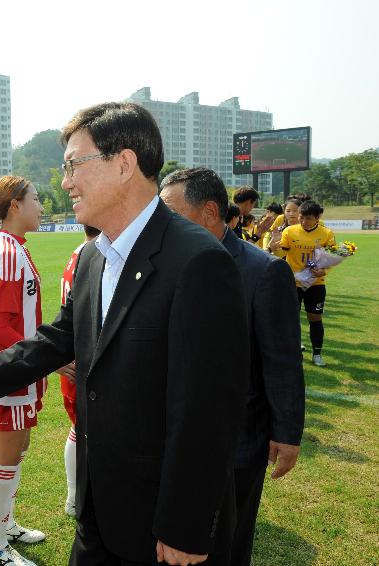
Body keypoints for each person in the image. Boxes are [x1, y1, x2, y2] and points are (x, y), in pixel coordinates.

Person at [0, 102, 250, 566]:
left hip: (160, 524)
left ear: (123, 164)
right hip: (98, 509)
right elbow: (60, 338)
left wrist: (185, 524)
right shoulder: (91, 259)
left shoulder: (198, 261)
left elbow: (209, 410)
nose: (64, 182)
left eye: (73, 165)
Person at [160, 168, 305, 566]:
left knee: (228, 540)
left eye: (171, 210)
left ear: (210, 212)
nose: (162, 220)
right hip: (175, 432)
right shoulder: (168, 262)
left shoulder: (263, 271)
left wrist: (287, 432)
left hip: (238, 439)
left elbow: (282, 359)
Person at [0, 175, 47, 566]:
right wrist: (39, 357)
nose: (40, 205)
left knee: (18, 449)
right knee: (5, 457)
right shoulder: (6, 252)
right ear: (15, 205)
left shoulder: (15, 247)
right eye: (35, 198)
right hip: (11, 371)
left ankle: (6, 526)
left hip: (23, 368)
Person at [58, 224, 100, 518]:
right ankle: (76, 496)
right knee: (83, 430)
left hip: (75, 355)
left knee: (79, 429)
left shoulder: (78, 252)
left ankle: (77, 495)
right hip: (82, 359)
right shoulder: (94, 254)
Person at [279, 201, 336, 366]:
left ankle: (317, 354)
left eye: (308, 218)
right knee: (291, 318)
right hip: (293, 283)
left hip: (316, 284)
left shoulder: (327, 234)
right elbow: (281, 252)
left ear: (318, 218)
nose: (303, 221)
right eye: (301, 217)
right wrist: (273, 245)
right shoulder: (289, 231)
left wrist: (324, 271)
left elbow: (331, 259)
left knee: (315, 318)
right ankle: (294, 350)